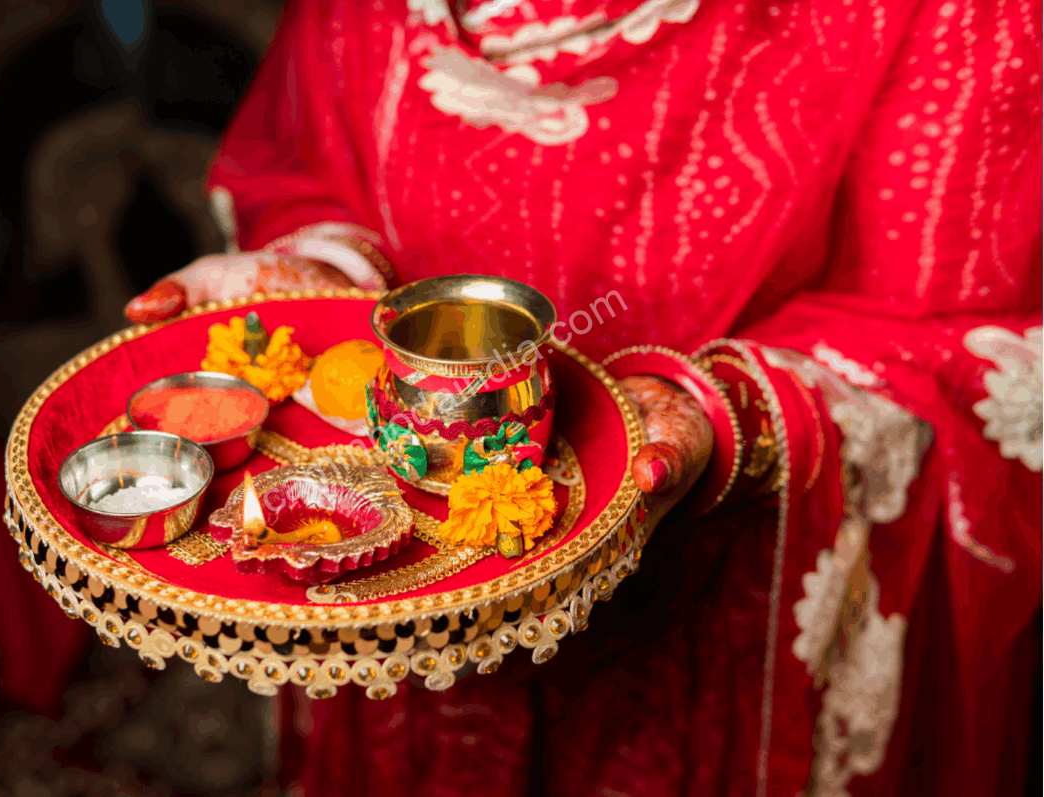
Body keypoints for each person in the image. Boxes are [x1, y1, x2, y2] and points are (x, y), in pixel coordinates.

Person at [125, 1, 1042, 795]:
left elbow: (966, 335)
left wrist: (729, 416)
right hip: (411, 599)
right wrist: (322, 280)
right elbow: (313, 160)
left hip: (716, 637)